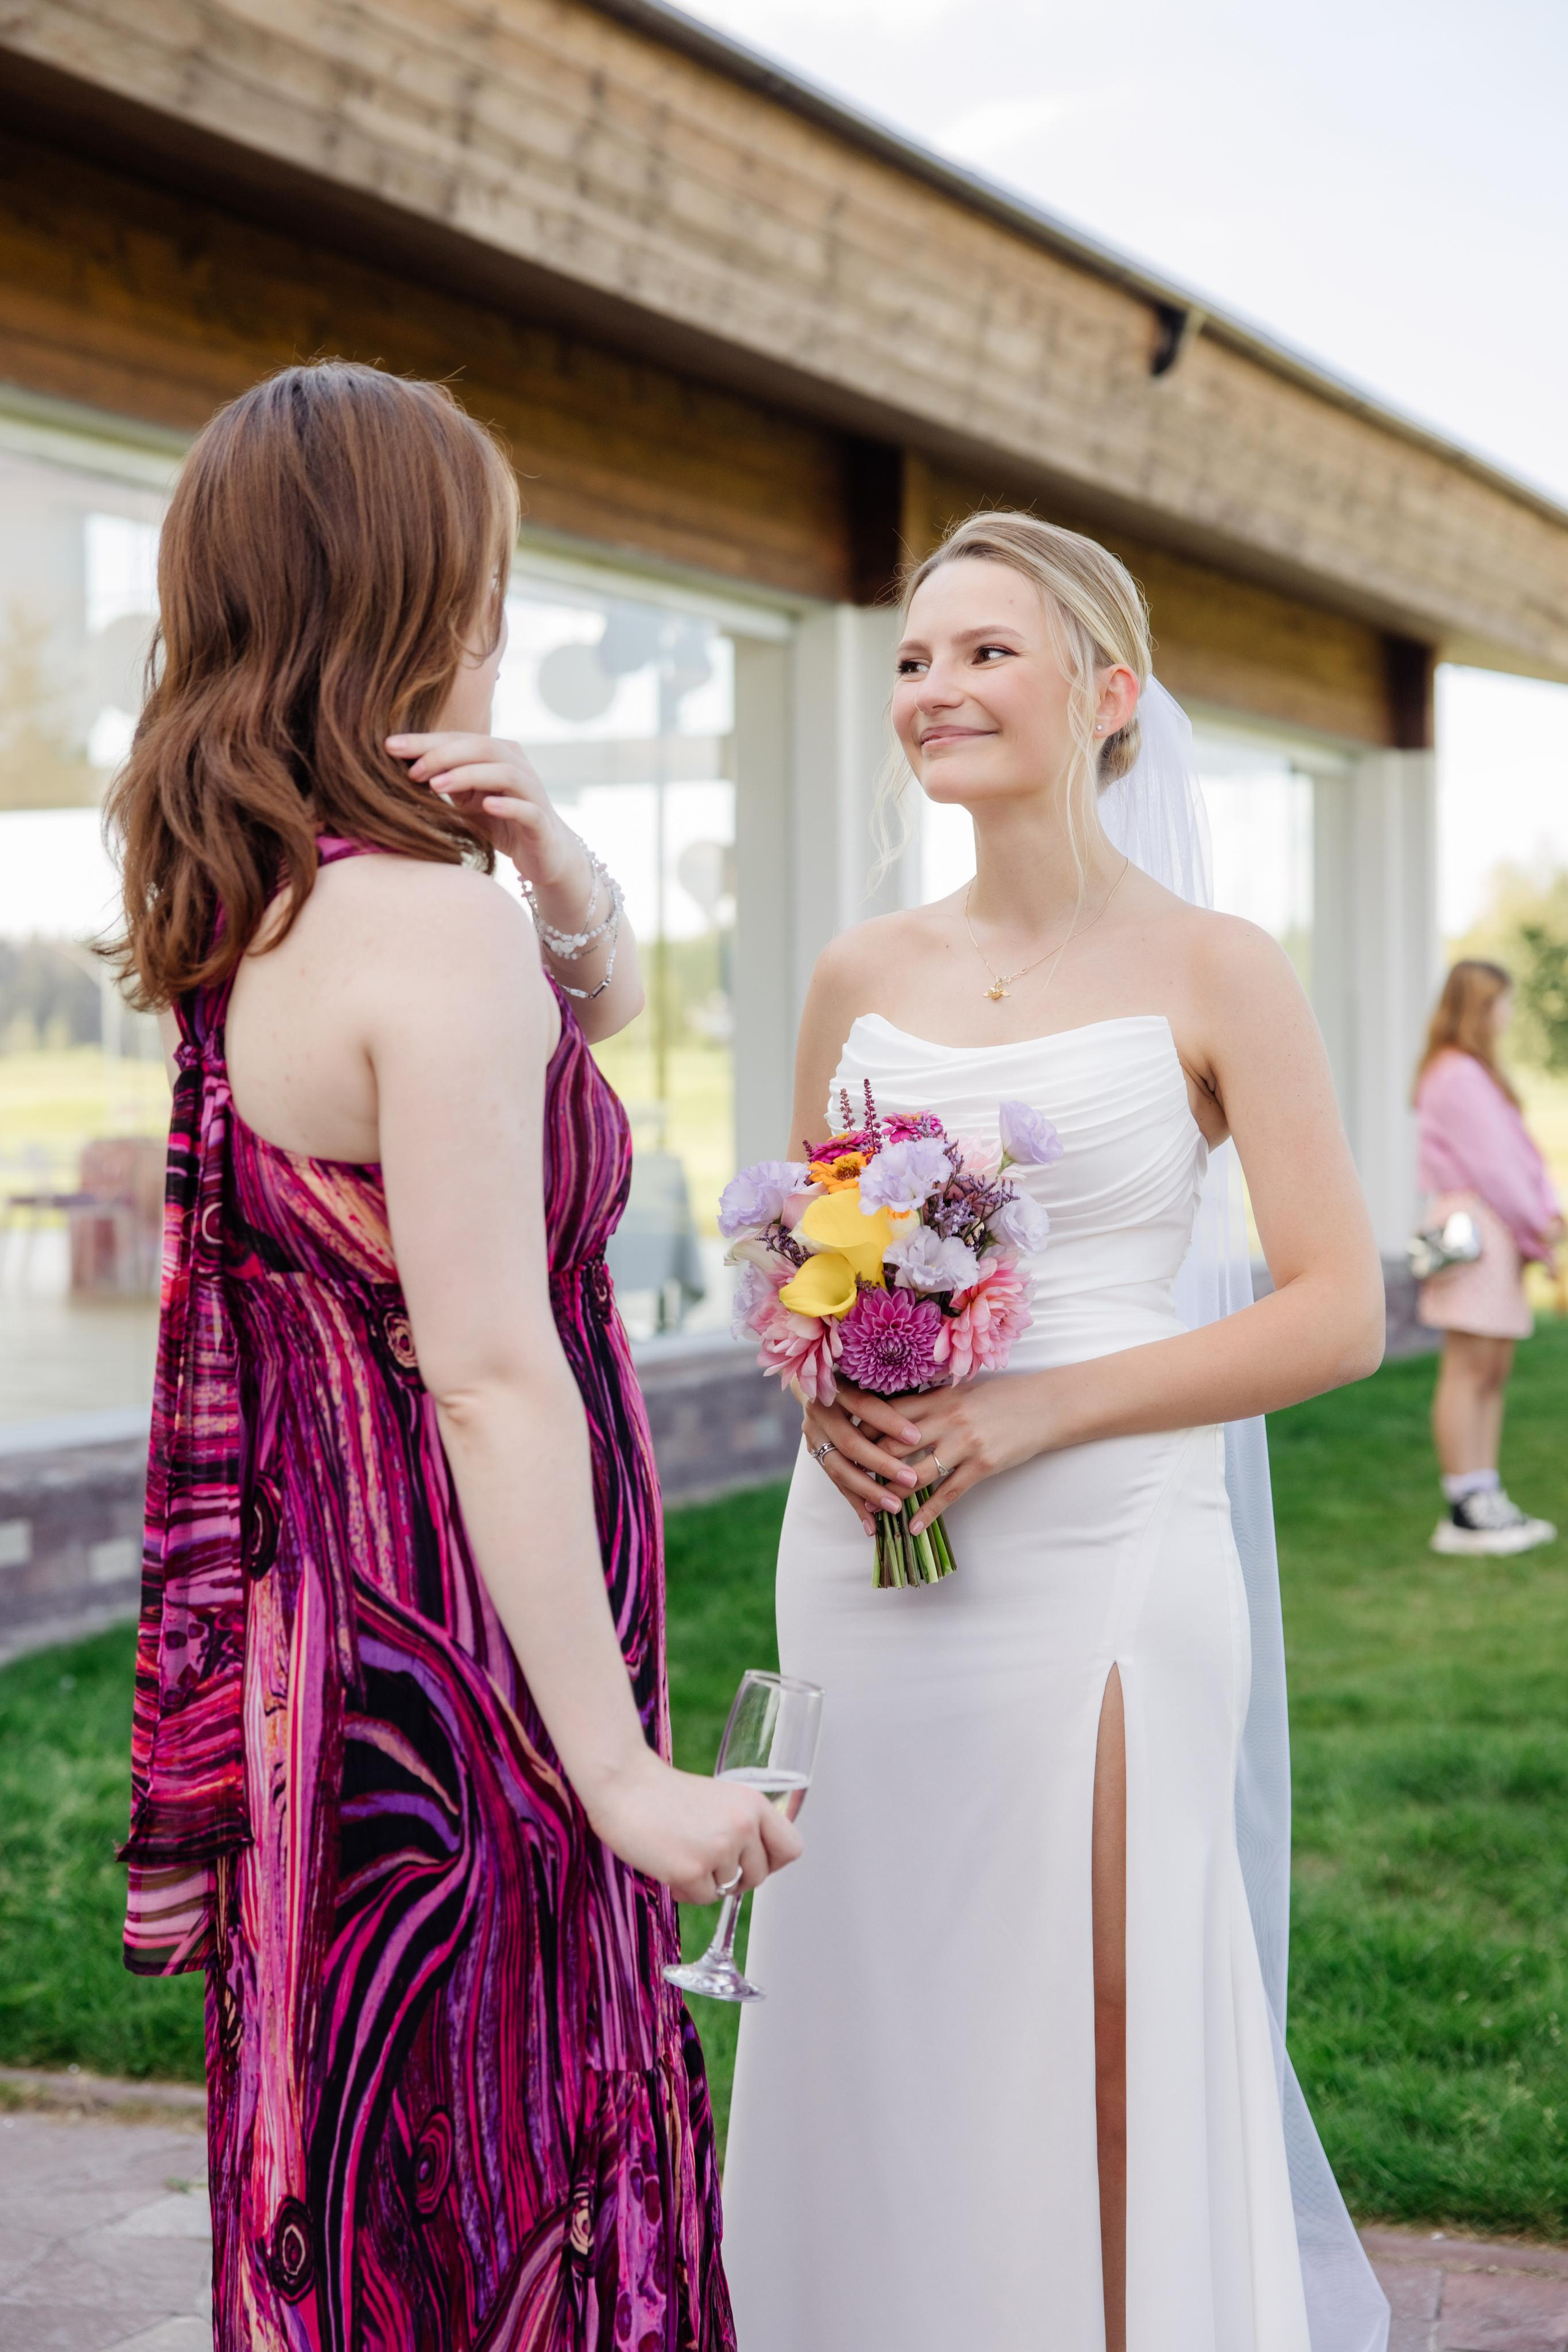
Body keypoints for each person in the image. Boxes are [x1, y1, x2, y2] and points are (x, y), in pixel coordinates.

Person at [107, 361, 797, 2351]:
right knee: (510, 2199)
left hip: (321, 1679)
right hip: (474, 1693)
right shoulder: (428, 925)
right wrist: (623, 1778)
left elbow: (583, 1018)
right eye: (492, 574)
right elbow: (493, 1373)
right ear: (426, 593)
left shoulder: (261, 897)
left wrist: (565, 880)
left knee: (362, 2183)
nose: (509, 616)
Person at [721, 513, 1391, 2351]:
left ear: (1108, 696)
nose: (936, 688)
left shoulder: (1214, 962)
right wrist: (829, 1387)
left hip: (1106, 1545)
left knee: (1103, 2013)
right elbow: (808, 1259)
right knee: (875, 2006)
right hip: (866, 1551)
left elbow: (1337, 1306)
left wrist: (1031, 1413)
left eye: (985, 652)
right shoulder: (856, 970)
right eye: (915, 660)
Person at [1414, 959, 1562, 1555]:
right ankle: (1465, 1504)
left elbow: (1516, 1159)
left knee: (1490, 1369)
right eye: (1501, 1002)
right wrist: (1540, 1232)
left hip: (1494, 1231)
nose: (1508, 1013)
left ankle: (1484, 1490)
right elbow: (1496, 1170)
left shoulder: (1470, 1073)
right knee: (1469, 1367)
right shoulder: (1457, 1076)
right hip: (1475, 1231)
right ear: (1478, 1008)